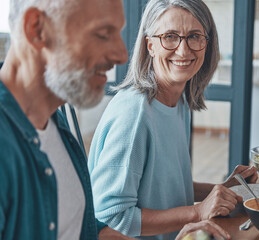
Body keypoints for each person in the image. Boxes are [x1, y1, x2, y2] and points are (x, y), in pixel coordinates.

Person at [0, 0, 231, 239]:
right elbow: (113, 215)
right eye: (102, 34)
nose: (122, 55)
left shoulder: (56, 129)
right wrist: (195, 212)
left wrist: (220, 193)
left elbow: (89, 228)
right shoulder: (7, 142)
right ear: (36, 29)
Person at [88, 0, 258, 239]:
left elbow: (165, 187)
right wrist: (197, 212)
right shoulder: (134, 114)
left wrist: (224, 190)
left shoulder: (178, 102)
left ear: (207, 45)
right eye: (170, 36)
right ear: (150, 45)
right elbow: (113, 217)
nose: (183, 50)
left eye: (195, 36)